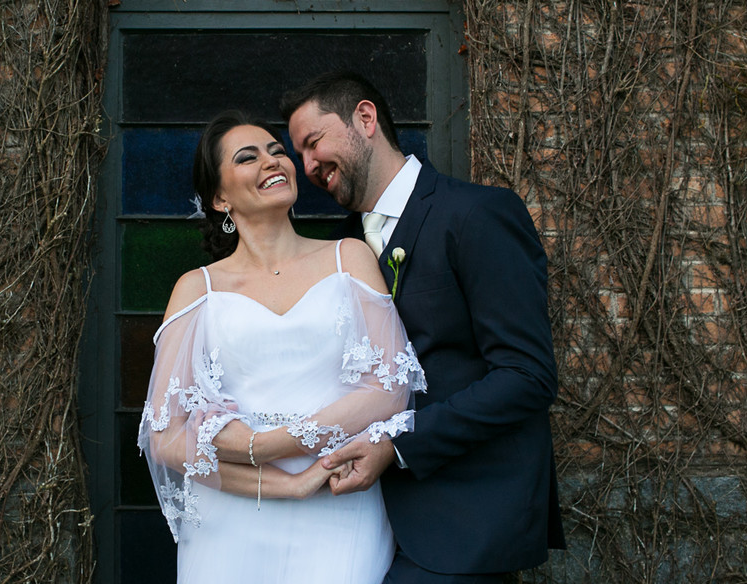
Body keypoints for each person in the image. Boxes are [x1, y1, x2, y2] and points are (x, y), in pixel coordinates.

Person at [280, 71, 566, 583]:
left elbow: (528, 376)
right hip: (353, 526)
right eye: (299, 154)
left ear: (364, 119)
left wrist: (399, 443)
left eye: (313, 142)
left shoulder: (476, 214)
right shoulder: (338, 250)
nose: (307, 166)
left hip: (461, 520)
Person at [139, 111, 427, 584]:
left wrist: (270, 444)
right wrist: (286, 483)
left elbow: (390, 389)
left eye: (277, 152)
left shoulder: (349, 257)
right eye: (248, 158)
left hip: (338, 501)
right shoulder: (197, 290)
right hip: (232, 519)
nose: (273, 162)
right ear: (219, 197)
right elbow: (166, 437)